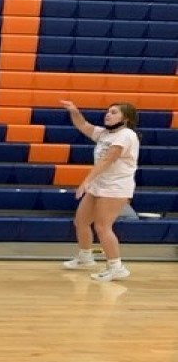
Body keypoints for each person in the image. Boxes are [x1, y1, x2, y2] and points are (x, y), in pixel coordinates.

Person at [60, 100, 140, 281]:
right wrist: (74, 111)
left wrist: (85, 182)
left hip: (116, 187)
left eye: (113, 112)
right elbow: (82, 125)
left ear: (125, 118)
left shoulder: (126, 135)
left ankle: (116, 267)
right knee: (81, 220)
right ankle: (85, 256)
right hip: (100, 184)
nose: (108, 115)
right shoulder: (105, 133)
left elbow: (107, 160)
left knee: (103, 227)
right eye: (108, 112)